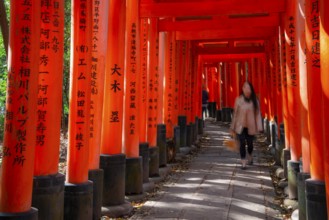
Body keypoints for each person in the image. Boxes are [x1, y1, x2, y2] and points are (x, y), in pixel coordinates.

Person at [230, 82, 263, 170]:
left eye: (248, 88)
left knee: (250, 144)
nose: (246, 89)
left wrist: (259, 126)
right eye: (245, 88)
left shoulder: (255, 100)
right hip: (240, 126)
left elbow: (257, 114)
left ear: (251, 89)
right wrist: (232, 127)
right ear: (243, 89)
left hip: (250, 126)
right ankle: (243, 162)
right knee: (242, 143)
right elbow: (235, 114)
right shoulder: (239, 99)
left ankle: (250, 155)